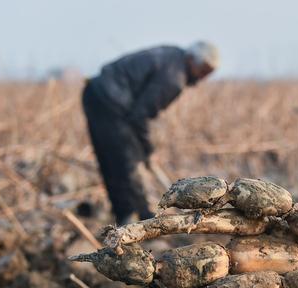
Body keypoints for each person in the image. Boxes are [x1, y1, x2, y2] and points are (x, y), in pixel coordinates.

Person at [82, 41, 219, 225]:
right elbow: (140, 116)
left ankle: (134, 215)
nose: (203, 78)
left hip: (95, 92)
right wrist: (147, 150)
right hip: (109, 102)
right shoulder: (174, 78)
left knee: (114, 161)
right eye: (204, 70)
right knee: (125, 163)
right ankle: (135, 219)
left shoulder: (173, 54)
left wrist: (144, 150)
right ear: (192, 60)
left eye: (208, 73)